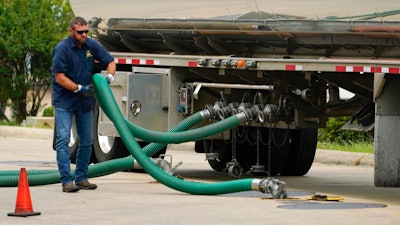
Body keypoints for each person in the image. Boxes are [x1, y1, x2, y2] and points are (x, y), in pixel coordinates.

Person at [51, 16, 116, 193]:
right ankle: (66, 180)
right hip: (65, 100)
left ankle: (81, 177)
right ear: (71, 31)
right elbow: (59, 77)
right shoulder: (62, 49)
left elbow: (110, 61)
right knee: (63, 139)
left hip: (85, 100)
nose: (84, 35)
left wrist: (108, 78)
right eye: (80, 32)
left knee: (87, 140)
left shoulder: (91, 45)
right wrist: (78, 88)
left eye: (86, 31)